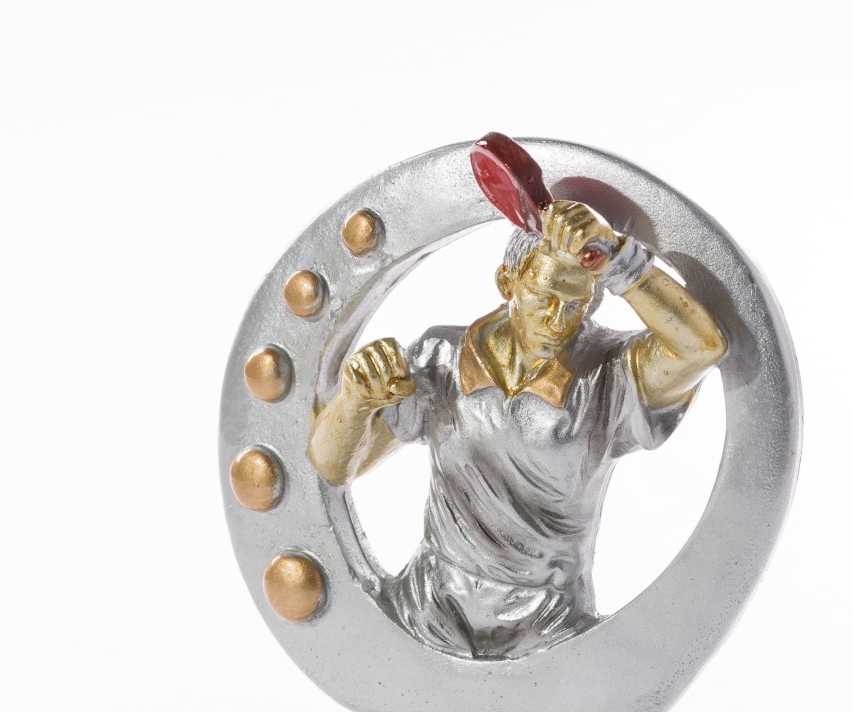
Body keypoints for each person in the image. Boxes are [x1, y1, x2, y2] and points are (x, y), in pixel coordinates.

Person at [308, 196, 727, 659]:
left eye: (575, 304)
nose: (557, 320)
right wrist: (355, 402)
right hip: (430, 606)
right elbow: (333, 467)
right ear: (507, 282)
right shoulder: (442, 358)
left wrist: (616, 256)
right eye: (544, 297)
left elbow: (701, 347)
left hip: (548, 623)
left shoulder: (609, 373)